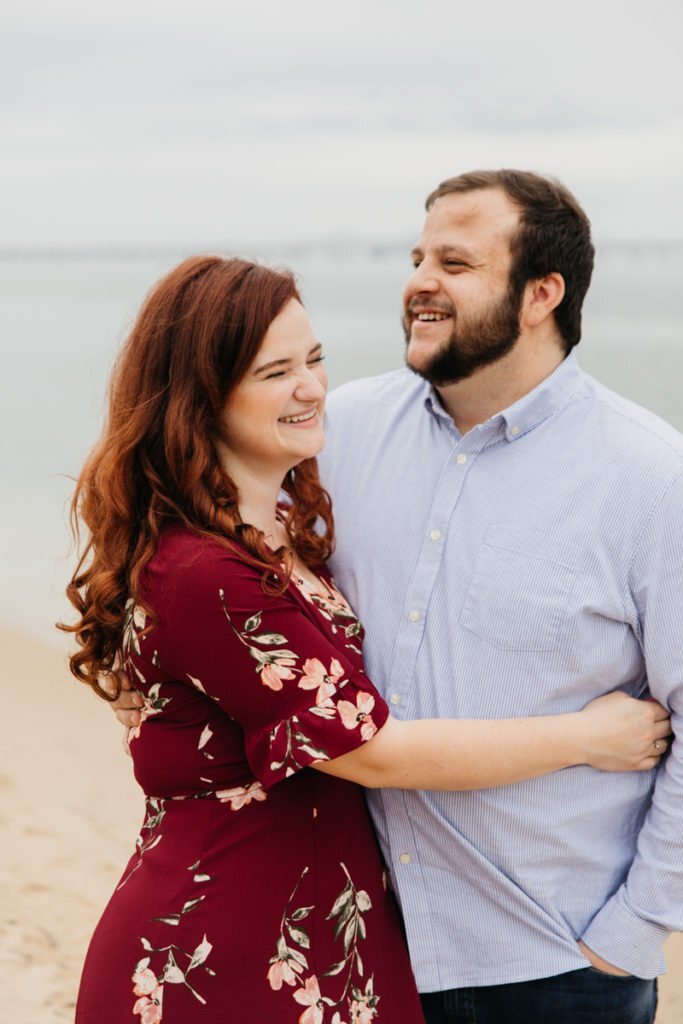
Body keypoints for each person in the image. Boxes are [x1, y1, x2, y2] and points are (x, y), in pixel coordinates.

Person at [62, 254, 668, 1024]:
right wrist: (585, 736)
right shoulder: (205, 570)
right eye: (274, 371)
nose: (312, 387)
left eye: (314, 359)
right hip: (218, 955)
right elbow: (373, 751)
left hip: (322, 934)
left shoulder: (278, 532)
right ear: (202, 398)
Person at [315, 170, 683, 1024]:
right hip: (358, 944)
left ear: (539, 294)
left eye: (454, 261)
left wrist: (628, 934)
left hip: (555, 962)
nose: (419, 282)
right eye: (417, 257)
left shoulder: (649, 475)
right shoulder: (340, 433)